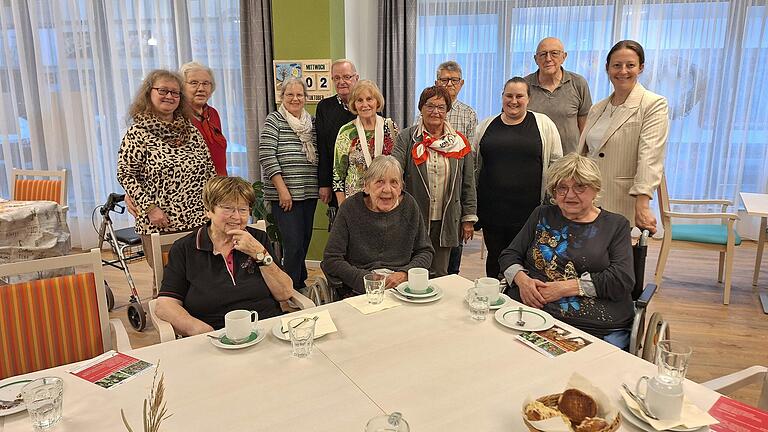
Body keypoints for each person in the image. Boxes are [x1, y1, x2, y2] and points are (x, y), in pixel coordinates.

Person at [499, 153, 635, 348]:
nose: (569, 195)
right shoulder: (541, 214)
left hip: (591, 324)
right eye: (561, 187)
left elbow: (622, 279)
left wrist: (563, 288)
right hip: (529, 312)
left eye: (580, 186)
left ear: (595, 188)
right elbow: (509, 255)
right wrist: (523, 281)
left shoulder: (616, 225)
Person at [117, 69, 216, 294]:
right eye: (163, 90)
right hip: (160, 221)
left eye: (175, 92)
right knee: (167, 278)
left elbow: (209, 169)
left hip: (198, 218)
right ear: (148, 93)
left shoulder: (190, 130)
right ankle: (166, 324)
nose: (169, 96)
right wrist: (150, 208)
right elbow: (126, 174)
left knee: (200, 275)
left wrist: (212, 208)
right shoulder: (137, 133)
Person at [155, 177, 296, 335]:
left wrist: (260, 254)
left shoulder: (258, 239)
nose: (237, 217)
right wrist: (201, 331)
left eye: (243, 209)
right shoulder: (185, 248)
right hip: (215, 335)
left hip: (265, 329)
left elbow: (285, 293)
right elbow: (165, 304)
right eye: (228, 208)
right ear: (208, 210)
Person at [577, 40, 669, 234]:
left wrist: (643, 202)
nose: (623, 71)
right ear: (608, 68)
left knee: (616, 261)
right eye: (617, 65)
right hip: (588, 197)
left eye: (630, 65)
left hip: (621, 198)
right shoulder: (598, 108)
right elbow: (586, 153)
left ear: (641, 67)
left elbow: (650, 156)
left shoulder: (653, 104)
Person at [474, 77, 563, 278]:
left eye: (519, 96)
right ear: (502, 97)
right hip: (492, 212)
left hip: (529, 213)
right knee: (495, 258)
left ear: (528, 99)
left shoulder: (544, 124)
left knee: (524, 260)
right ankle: (494, 298)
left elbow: (556, 165)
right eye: (509, 96)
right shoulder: (487, 125)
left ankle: (520, 299)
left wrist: (553, 203)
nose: (513, 101)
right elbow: (474, 165)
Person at [392, 86, 476, 277]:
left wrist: (468, 219)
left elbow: (468, 183)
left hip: (446, 218)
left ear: (447, 111)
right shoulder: (407, 138)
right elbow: (394, 173)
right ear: (421, 108)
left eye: (441, 107)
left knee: (440, 274)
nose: (435, 112)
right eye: (430, 106)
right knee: (412, 272)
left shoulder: (459, 142)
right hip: (414, 216)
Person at [322, 155, 434, 296]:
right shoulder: (350, 208)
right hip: (360, 289)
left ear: (400, 187)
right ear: (366, 186)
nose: (387, 189)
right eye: (380, 182)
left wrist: (404, 273)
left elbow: (425, 251)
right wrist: (365, 279)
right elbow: (332, 259)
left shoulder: (409, 206)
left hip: (402, 287)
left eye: (394, 182)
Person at [259, 78, 319, 291]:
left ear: (306, 98)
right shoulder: (274, 120)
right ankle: (288, 290)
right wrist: (283, 190)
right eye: (289, 94)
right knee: (292, 244)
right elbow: (267, 155)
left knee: (303, 242)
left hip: (308, 192)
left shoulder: (311, 123)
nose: (295, 98)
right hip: (285, 195)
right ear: (282, 97)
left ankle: (299, 281)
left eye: (299, 95)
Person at [435, 60, 479, 276]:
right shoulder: (428, 110)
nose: (449, 84)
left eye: (453, 80)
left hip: (456, 191)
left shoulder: (469, 114)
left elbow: (470, 162)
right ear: (437, 82)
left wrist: (468, 215)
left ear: (461, 84)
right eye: (444, 80)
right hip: (432, 186)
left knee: (454, 253)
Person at [332, 80, 399, 204]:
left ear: (377, 101)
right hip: (355, 201)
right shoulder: (346, 132)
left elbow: (399, 167)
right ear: (354, 104)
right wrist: (343, 207)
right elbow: (338, 175)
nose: (365, 104)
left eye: (369, 99)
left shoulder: (390, 127)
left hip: (386, 198)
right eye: (359, 100)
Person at [525, 37, 592, 154]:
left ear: (564, 57)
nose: (548, 59)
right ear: (535, 59)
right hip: (533, 160)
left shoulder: (578, 83)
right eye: (543, 54)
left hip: (569, 162)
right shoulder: (524, 85)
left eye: (554, 53)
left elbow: (585, 128)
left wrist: (583, 158)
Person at [316, 59, 360, 208]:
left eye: (347, 77)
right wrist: (324, 183)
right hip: (336, 182)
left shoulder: (368, 105)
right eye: (337, 78)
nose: (341, 82)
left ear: (356, 78)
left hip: (364, 180)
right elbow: (322, 147)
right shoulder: (324, 107)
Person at [180, 61, 228, 176]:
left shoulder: (213, 113)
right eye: (194, 83)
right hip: (192, 187)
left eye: (206, 83)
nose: (201, 88)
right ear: (182, 87)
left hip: (218, 186)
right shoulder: (177, 116)